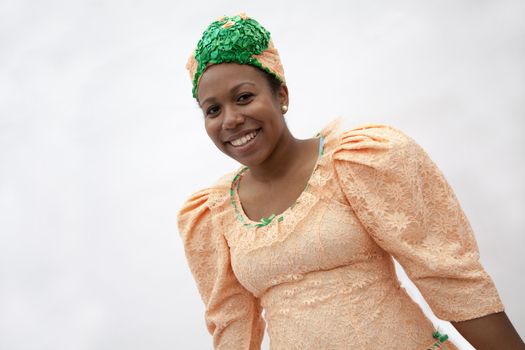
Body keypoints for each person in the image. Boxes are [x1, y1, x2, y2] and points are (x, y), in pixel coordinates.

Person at [177, 13, 524, 350]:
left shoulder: (360, 161)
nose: (231, 119)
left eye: (244, 97)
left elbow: (451, 279)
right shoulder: (213, 214)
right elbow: (232, 330)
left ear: (281, 95)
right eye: (213, 110)